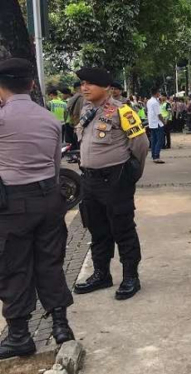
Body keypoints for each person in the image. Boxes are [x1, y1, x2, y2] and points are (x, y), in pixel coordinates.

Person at [0, 58, 75, 360]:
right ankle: (60, 326)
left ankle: (19, 335)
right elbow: (56, 167)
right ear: (32, 85)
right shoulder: (49, 119)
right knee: (50, 262)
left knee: (13, 267)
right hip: (49, 198)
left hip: (12, 204)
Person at [72, 67, 149, 301]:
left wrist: (130, 174)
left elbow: (141, 144)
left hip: (115, 179)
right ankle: (101, 274)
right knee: (98, 229)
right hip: (90, 179)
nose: (84, 88)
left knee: (123, 229)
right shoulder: (86, 110)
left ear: (105, 87)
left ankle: (130, 277)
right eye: (83, 83)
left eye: (90, 84)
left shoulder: (122, 111)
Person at [147, 87, 166, 164]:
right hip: (157, 123)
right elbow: (159, 114)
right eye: (159, 93)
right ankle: (156, 155)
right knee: (160, 140)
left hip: (152, 123)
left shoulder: (149, 101)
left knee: (154, 140)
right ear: (157, 93)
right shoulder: (155, 102)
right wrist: (163, 122)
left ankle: (153, 155)